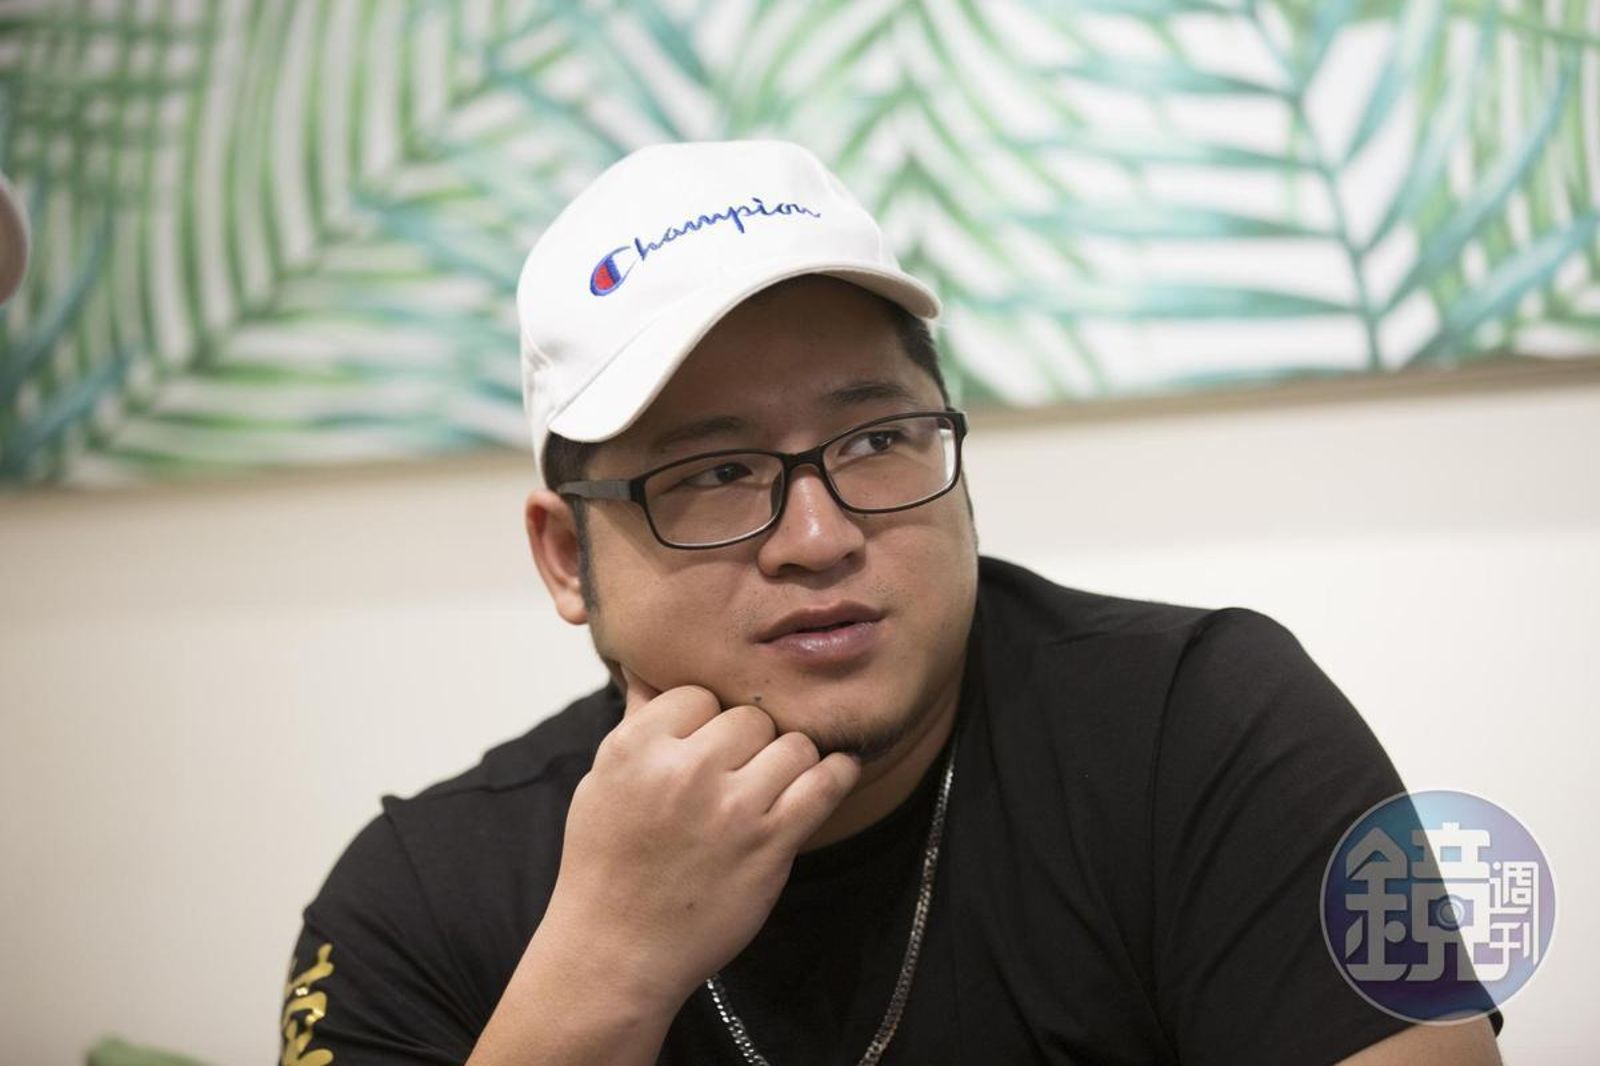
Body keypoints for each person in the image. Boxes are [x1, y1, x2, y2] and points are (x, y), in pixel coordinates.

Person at [283, 140, 1503, 1065]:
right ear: (565, 557)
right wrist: (605, 969)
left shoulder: (1213, 724)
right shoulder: (418, 897)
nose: (819, 537)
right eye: (715, 473)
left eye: (876, 440)